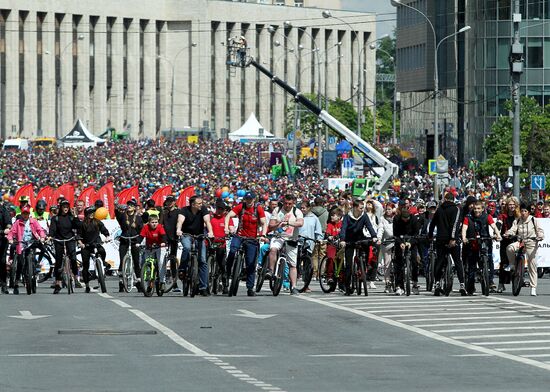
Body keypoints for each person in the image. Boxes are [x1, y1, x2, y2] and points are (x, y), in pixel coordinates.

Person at [224, 192, 267, 297]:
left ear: (254, 199)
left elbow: (264, 223)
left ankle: (250, 287)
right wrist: (226, 227)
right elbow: (229, 215)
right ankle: (227, 272)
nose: (248, 201)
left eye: (250, 199)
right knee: (232, 250)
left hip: (252, 238)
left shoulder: (258, 209)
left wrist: (264, 234)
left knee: (250, 263)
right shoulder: (241, 207)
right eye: (247, 199)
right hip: (240, 236)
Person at [428, 192, 466, 296]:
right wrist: (453, 238)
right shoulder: (456, 209)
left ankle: (436, 284)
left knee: (439, 261)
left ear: (445, 199)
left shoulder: (439, 209)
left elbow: (432, 224)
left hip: (440, 238)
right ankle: (462, 285)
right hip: (451, 239)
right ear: (453, 199)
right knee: (458, 261)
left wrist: (430, 235)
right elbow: (455, 225)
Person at [176, 195, 214, 296]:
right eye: (199, 203)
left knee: (202, 260)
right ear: (193, 204)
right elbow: (180, 221)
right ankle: (183, 268)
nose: (201, 205)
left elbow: (207, 221)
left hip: (200, 235)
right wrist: (178, 230)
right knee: (187, 248)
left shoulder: (203, 210)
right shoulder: (184, 210)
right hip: (186, 235)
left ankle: (203, 287)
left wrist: (210, 232)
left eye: (201, 203)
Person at [504, 202, 545, 296]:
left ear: (529, 212)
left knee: (532, 265)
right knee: (509, 248)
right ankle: (512, 265)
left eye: (525, 211)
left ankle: (533, 287)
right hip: (520, 242)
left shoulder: (534, 220)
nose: (523, 213)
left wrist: (540, 237)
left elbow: (540, 231)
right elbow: (513, 229)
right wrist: (508, 233)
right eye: (522, 211)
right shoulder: (517, 220)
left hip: (531, 243)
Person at [461, 201, 502, 295]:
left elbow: (494, 226)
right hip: (472, 243)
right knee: (471, 267)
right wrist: (464, 237)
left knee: (486, 261)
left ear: (483, 209)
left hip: (484, 241)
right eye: (475, 208)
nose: (476, 210)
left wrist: (498, 234)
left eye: (479, 208)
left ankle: (488, 280)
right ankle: (470, 287)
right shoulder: (468, 217)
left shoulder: (487, 216)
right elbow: (464, 228)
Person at [339, 198, 378, 296]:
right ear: (355, 208)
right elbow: (343, 229)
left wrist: (374, 236)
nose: (363, 210)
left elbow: (369, 226)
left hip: (360, 238)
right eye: (361, 208)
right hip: (349, 240)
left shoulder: (364, 216)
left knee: (366, 248)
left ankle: (363, 267)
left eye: (363, 208)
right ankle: (348, 287)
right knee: (348, 264)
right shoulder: (348, 216)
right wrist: (342, 240)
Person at [267, 194, 304, 295]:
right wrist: (278, 224)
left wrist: (289, 223)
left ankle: (293, 286)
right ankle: (271, 270)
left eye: (290, 204)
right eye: (286, 203)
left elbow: (300, 223)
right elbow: (270, 225)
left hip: (291, 238)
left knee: (292, 264)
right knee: (273, 249)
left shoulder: (297, 211)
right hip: (278, 236)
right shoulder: (277, 210)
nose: (287, 205)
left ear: (293, 203)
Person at [6, 205, 47, 294]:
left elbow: (40, 230)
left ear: (29, 214)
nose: (25, 215)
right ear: (21, 214)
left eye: (27, 213)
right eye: (24, 213)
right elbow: (12, 232)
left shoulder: (33, 221)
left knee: (43, 248)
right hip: (21, 244)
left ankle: (37, 264)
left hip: (32, 242)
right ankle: (16, 283)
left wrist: (42, 237)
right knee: (20, 264)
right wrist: (10, 239)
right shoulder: (18, 222)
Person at [49, 199, 80, 294]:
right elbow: (52, 229)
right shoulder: (55, 218)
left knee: (73, 259)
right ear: (61, 208)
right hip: (59, 241)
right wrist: (50, 236)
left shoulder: (71, 217)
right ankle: (58, 283)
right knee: (58, 262)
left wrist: (75, 216)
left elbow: (78, 226)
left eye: (67, 206)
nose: (65, 208)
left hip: (70, 240)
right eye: (64, 206)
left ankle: (75, 278)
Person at [77, 206, 111, 293]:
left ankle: (102, 263)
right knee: (85, 264)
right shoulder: (82, 224)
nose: (91, 214)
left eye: (93, 213)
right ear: (86, 214)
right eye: (89, 213)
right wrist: (81, 243)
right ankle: (87, 285)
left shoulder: (98, 222)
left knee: (102, 251)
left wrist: (107, 237)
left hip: (96, 244)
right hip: (86, 246)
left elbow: (104, 230)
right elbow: (79, 236)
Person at [115, 199, 144, 292]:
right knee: (122, 259)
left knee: (136, 262)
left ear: (135, 207)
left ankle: (139, 282)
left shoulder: (139, 218)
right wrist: (116, 206)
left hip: (134, 240)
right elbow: (117, 213)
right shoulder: (123, 216)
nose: (130, 206)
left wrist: (139, 241)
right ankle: (121, 282)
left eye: (132, 205)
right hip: (124, 240)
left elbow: (141, 231)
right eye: (128, 205)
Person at [393, 209, 421, 295]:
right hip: (400, 239)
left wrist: (410, 242)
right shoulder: (396, 219)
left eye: (407, 218)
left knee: (415, 262)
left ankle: (415, 284)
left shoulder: (414, 219)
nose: (405, 220)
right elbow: (395, 234)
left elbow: (417, 234)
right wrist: (400, 243)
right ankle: (399, 286)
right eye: (404, 219)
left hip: (411, 240)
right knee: (398, 263)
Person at [298, 199, 324, 292]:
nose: (302, 210)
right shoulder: (298, 216)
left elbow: (318, 231)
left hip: (309, 243)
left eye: (304, 208)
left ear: (309, 208)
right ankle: (290, 281)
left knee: (307, 264)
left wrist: (319, 239)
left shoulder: (314, 218)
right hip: (298, 242)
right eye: (301, 208)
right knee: (295, 262)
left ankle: (306, 284)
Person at [496, 196, 520, 293]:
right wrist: (496, 233)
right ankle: (501, 284)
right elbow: (499, 224)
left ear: (516, 205)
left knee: (518, 259)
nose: (511, 206)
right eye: (510, 204)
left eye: (513, 204)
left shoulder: (519, 216)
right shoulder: (503, 215)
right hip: (505, 240)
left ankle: (519, 276)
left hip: (516, 239)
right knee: (504, 262)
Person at [139, 215, 167, 293]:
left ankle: (162, 281)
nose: (154, 224)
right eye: (152, 222)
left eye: (156, 222)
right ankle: (148, 284)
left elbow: (164, 236)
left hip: (159, 247)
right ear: (149, 222)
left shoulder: (160, 227)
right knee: (147, 264)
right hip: (149, 247)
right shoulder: (145, 227)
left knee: (161, 262)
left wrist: (163, 242)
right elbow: (141, 236)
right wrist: (138, 243)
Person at [160, 195, 181, 292]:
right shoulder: (163, 212)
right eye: (168, 201)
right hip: (164, 238)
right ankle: (161, 281)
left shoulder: (178, 212)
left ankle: (174, 283)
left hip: (174, 238)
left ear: (174, 202)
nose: (169, 203)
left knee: (173, 260)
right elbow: (160, 224)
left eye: (171, 201)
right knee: (162, 260)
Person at [210, 198, 229, 294]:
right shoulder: (211, 217)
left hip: (221, 245)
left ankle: (225, 284)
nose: (219, 210)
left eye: (221, 209)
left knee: (222, 265)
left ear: (224, 210)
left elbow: (231, 228)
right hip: (210, 243)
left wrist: (229, 231)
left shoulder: (226, 219)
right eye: (218, 208)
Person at [377, 203, 395, 293]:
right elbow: (380, 229)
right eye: (387, 209)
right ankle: (387, 283)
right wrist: (379, 238)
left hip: (396, 242)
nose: (388, 211)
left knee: (398, 262)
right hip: (386, 242)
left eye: (390, 209)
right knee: (387, 264)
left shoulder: (396, 218)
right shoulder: (382, 219)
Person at [0, 201, 12, 294]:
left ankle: (4, 284)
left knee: (2, 261)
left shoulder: (3, 210)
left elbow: (8, 222)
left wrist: (8, 228)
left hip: (2, 238)